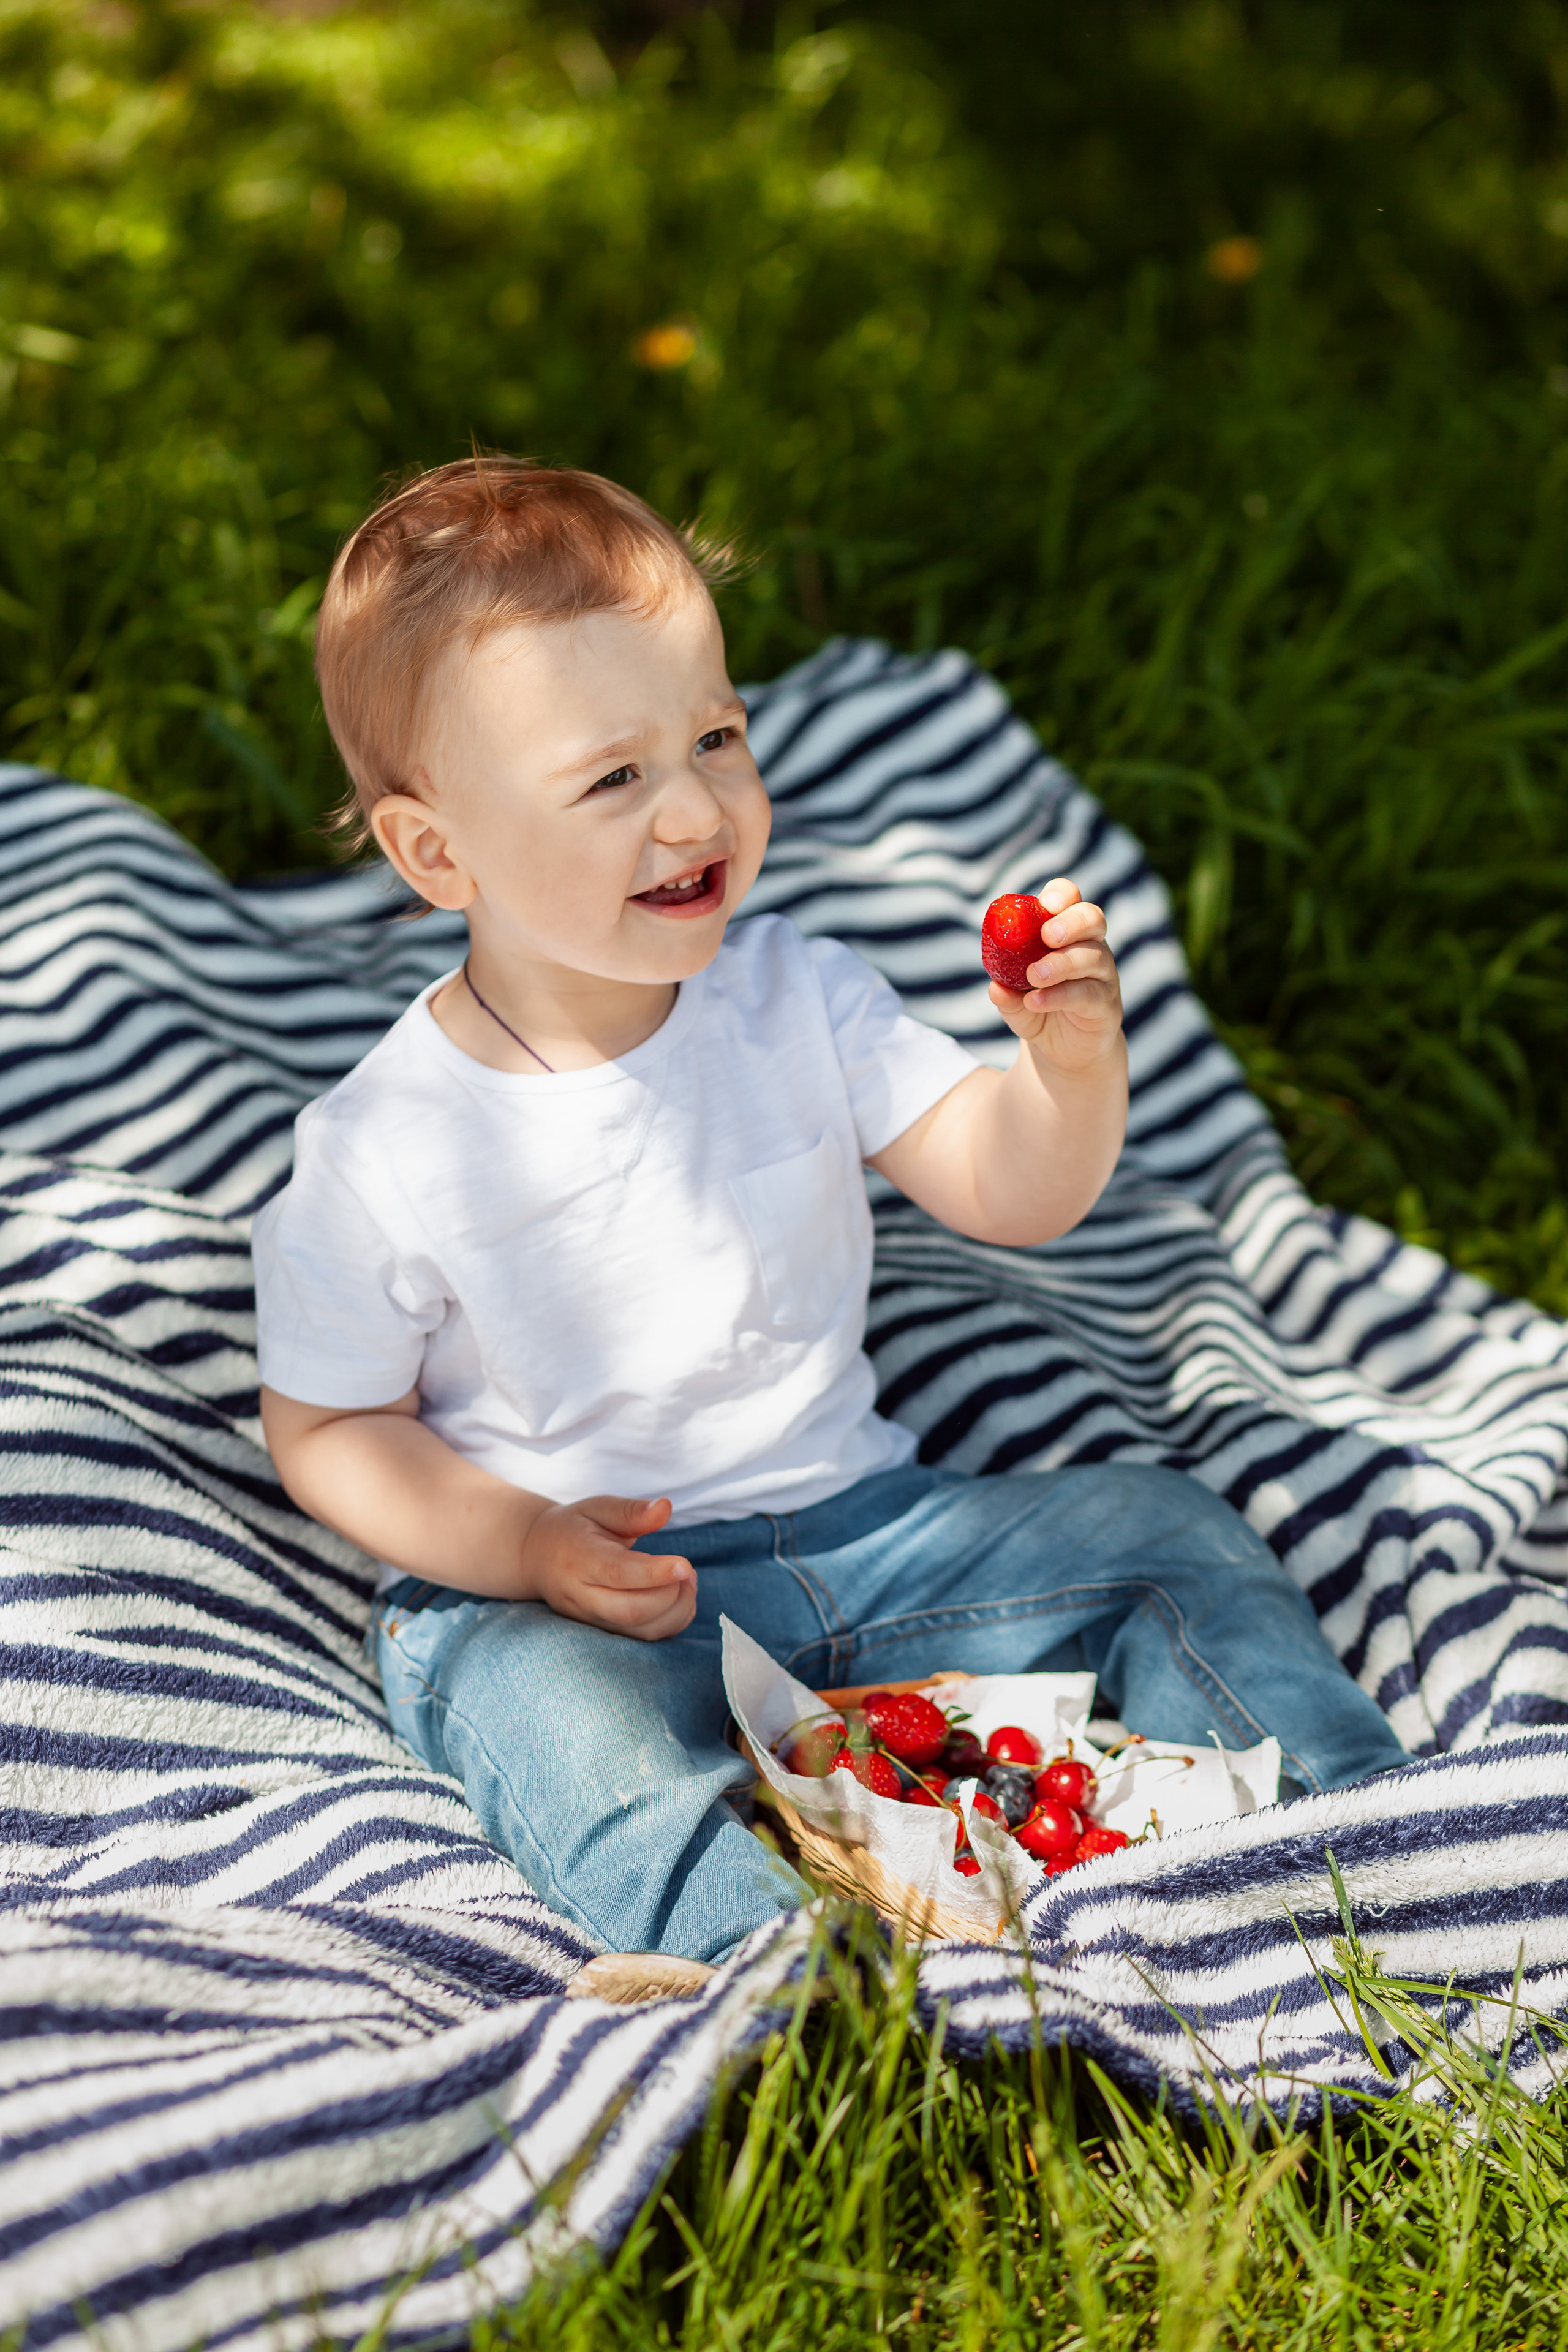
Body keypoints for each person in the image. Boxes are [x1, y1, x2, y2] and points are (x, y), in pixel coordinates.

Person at [253, 456, 1409, 1986]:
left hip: (871, 1535)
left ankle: (1356, 1851)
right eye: (612, 779)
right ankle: (790, 1988)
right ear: (436, 854)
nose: (693, 808)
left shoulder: (796, 993)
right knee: (530, 1712)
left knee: (1164, 1536)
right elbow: (329, 1427)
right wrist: (521, 1544)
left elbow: (1011, 1188)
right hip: (600, 1600)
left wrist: (1061, 1070)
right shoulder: (388, 1142)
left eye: (716, 736)